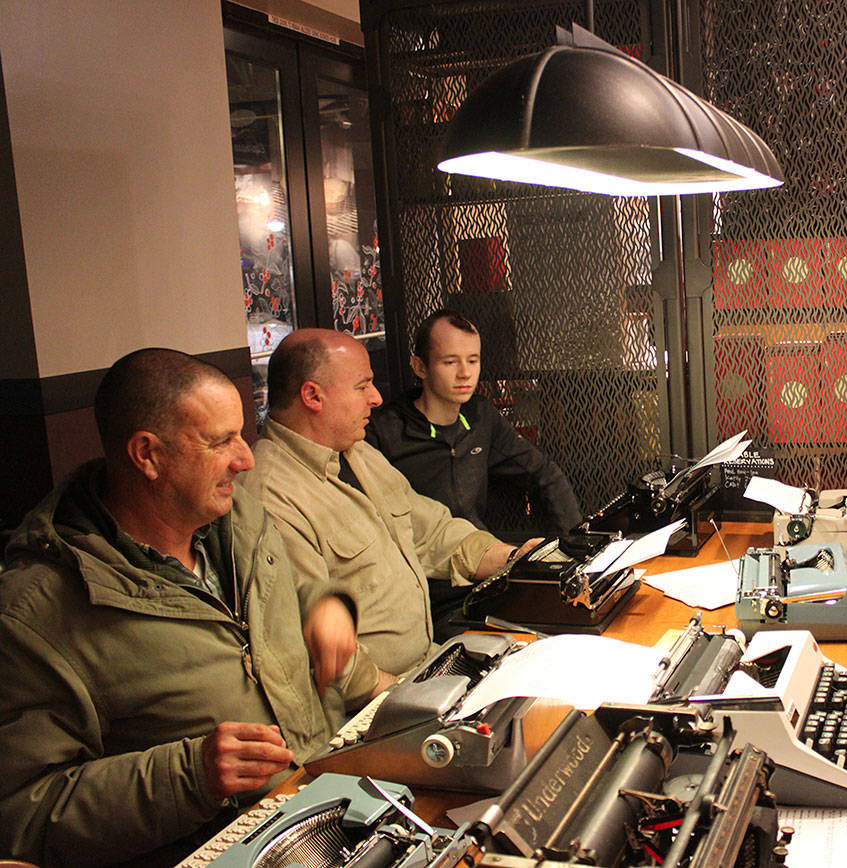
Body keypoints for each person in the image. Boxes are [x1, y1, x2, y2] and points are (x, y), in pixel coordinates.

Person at [0, 349, 371, 867]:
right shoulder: (36, 611)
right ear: (147, 455)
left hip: (326, 808)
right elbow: (21, 813)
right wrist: (190, 775)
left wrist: (325, 606)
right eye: (222, 442)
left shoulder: (236, 516)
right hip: (222, 848)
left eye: (242, 434)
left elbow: (260, 613)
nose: (246, 459)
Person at [243, 328, 529, 680]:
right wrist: (403, 697)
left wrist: (520, 559)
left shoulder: (357, 451)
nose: (376, 398)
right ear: (312, 396)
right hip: (375, 700)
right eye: (362, 386)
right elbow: (317, 646)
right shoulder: (271, 495)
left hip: (430, 662)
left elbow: (433, 532)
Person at [366, 310, 582, 537]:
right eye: (450, 362)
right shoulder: (384, 431)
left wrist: (575, 544)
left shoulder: (480, 416)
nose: (465, 373)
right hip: (420, 563)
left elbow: (543, 472)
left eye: (472, 360)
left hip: (482, 552)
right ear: (420, 367)